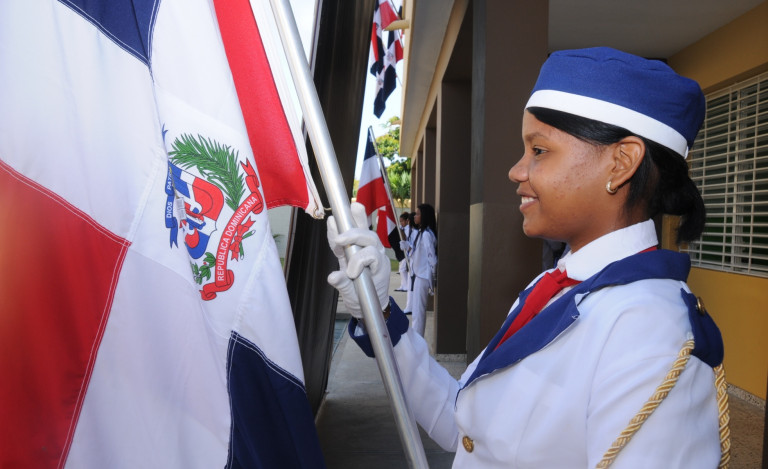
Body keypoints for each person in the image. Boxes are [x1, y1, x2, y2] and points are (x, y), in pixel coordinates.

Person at [326, 47, 725, 468]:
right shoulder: (552, 287)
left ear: (621, 162)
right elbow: (465, 428)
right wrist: (378, 311)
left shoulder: (651, 332)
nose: (516, 171)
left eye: (539, 150)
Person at [405, 203, 437, 336]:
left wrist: (433, 277)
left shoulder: (426, 235)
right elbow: (418, 252)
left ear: (424, 216)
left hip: (423, 275)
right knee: (417, 311)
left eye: (418, 214)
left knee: (418, 312)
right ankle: (417, 338)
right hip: (419, 274)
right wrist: (407, 246)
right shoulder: (422, 233)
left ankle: (417, 340)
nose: (415, 216)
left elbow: (432, 258)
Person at [395, 212, 410, 292]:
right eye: (400, 221)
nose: (401, 223)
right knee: (401, 269)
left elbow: (405, 238)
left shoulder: (408, 229)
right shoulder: (402, 228)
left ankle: (406, 286)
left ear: (407, 220)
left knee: (403, 269)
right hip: (403, 252)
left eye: (402, 221)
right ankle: (403, 285)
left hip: (407, 252)